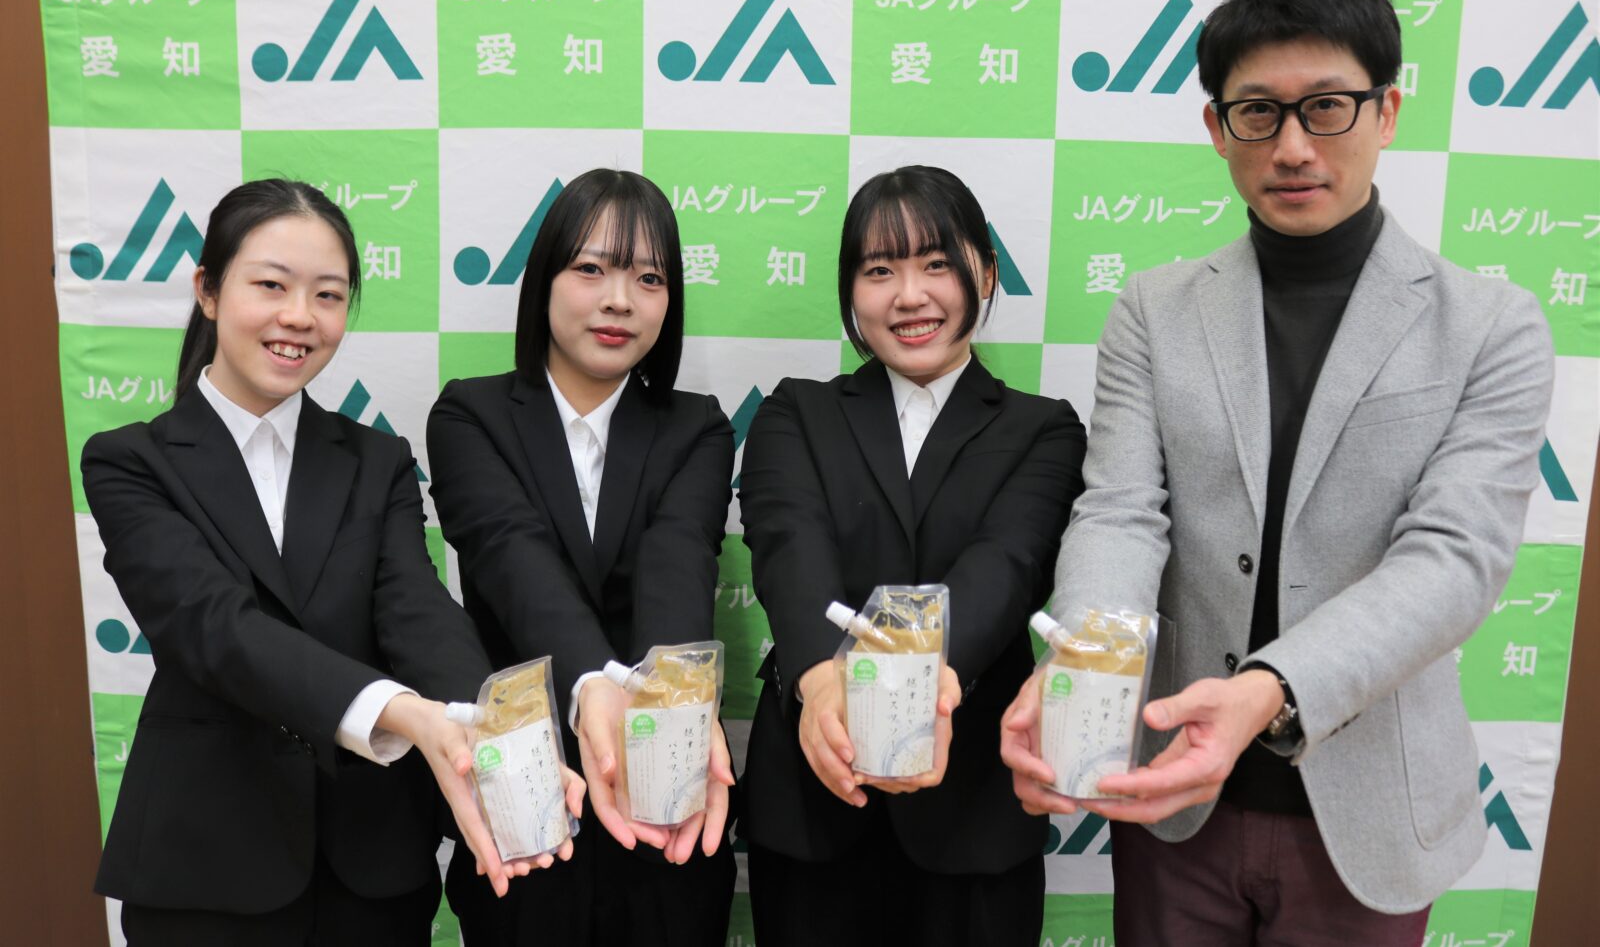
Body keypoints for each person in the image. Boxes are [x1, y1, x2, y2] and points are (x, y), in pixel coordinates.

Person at [1001, 0, 1556, 945]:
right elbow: (1120, 511)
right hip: (1175, 800)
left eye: (1327, 107)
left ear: (1387, 112)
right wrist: (1082, 662)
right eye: (1259, 112)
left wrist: (1269, 690)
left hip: (1372, 808)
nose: (1294, 146)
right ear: (1218, 128)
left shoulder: (1491, 326)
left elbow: (1452, 558)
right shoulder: (1154, 310)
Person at [83, 179, 575, 946]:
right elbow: (216, 626)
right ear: (208, 290)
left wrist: (492, 730)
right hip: (206, 861)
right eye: (271, 285)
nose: (299, 317)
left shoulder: (376, 459)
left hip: (372, 866)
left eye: (328, 294)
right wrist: (404, 712)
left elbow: (416, 609)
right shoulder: (132, 461)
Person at [738, 165, 1087, 947]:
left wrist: (923, 687)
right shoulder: (798, 411)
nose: (909, 295)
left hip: (974, 804)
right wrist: (824, 682)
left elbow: (1008, 564)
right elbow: (788, 548)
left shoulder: (1044, 428)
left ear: (985, 273)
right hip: (814, 795)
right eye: (879, 270)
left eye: (935, 263)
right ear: (850, 289)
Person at [428, 168, 737, 946]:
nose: (619, 299)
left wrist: (664, 698)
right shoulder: (471, 414)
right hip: (526, 810)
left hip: (665, 807)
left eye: (649, 278)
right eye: (591, 268)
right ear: (543, 281)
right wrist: (596, 682)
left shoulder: (698, 427)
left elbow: (677, 564)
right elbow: (512, 558)